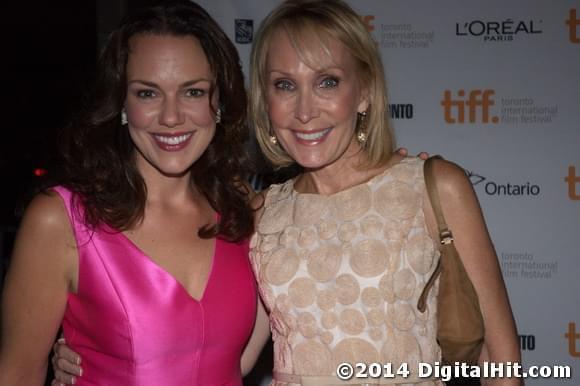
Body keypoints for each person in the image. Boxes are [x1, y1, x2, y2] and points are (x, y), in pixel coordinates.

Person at [53, 0, 518, 385]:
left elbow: (501, 357)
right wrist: (100, 358)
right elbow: (224, 360)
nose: (304, 111)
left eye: (327, 82)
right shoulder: (259, 213)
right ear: (266, 100)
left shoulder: (433, 186)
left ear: (365, 92)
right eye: (284, 86)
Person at [0, 1, 271, 384]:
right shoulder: (60, 221)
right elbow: (16, 374)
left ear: (220, 101)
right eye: (148, 94)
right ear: (122, 103)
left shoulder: (248, 213)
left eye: (193, 92)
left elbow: (234, 363)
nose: (171, 116)